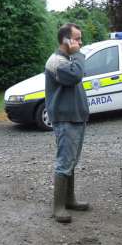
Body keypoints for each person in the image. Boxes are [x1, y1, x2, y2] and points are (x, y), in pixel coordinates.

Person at [45, 23, 90, 223]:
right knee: (64, 163)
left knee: (71, 161)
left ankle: (69, 200)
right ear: (66, 40)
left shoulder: (67, 59)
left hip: (75, 118)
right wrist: (79, 55)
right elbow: (74, 76)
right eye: (77, 38)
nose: (80, 43)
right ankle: (58, 207)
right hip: (65, 120)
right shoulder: (56, 61)